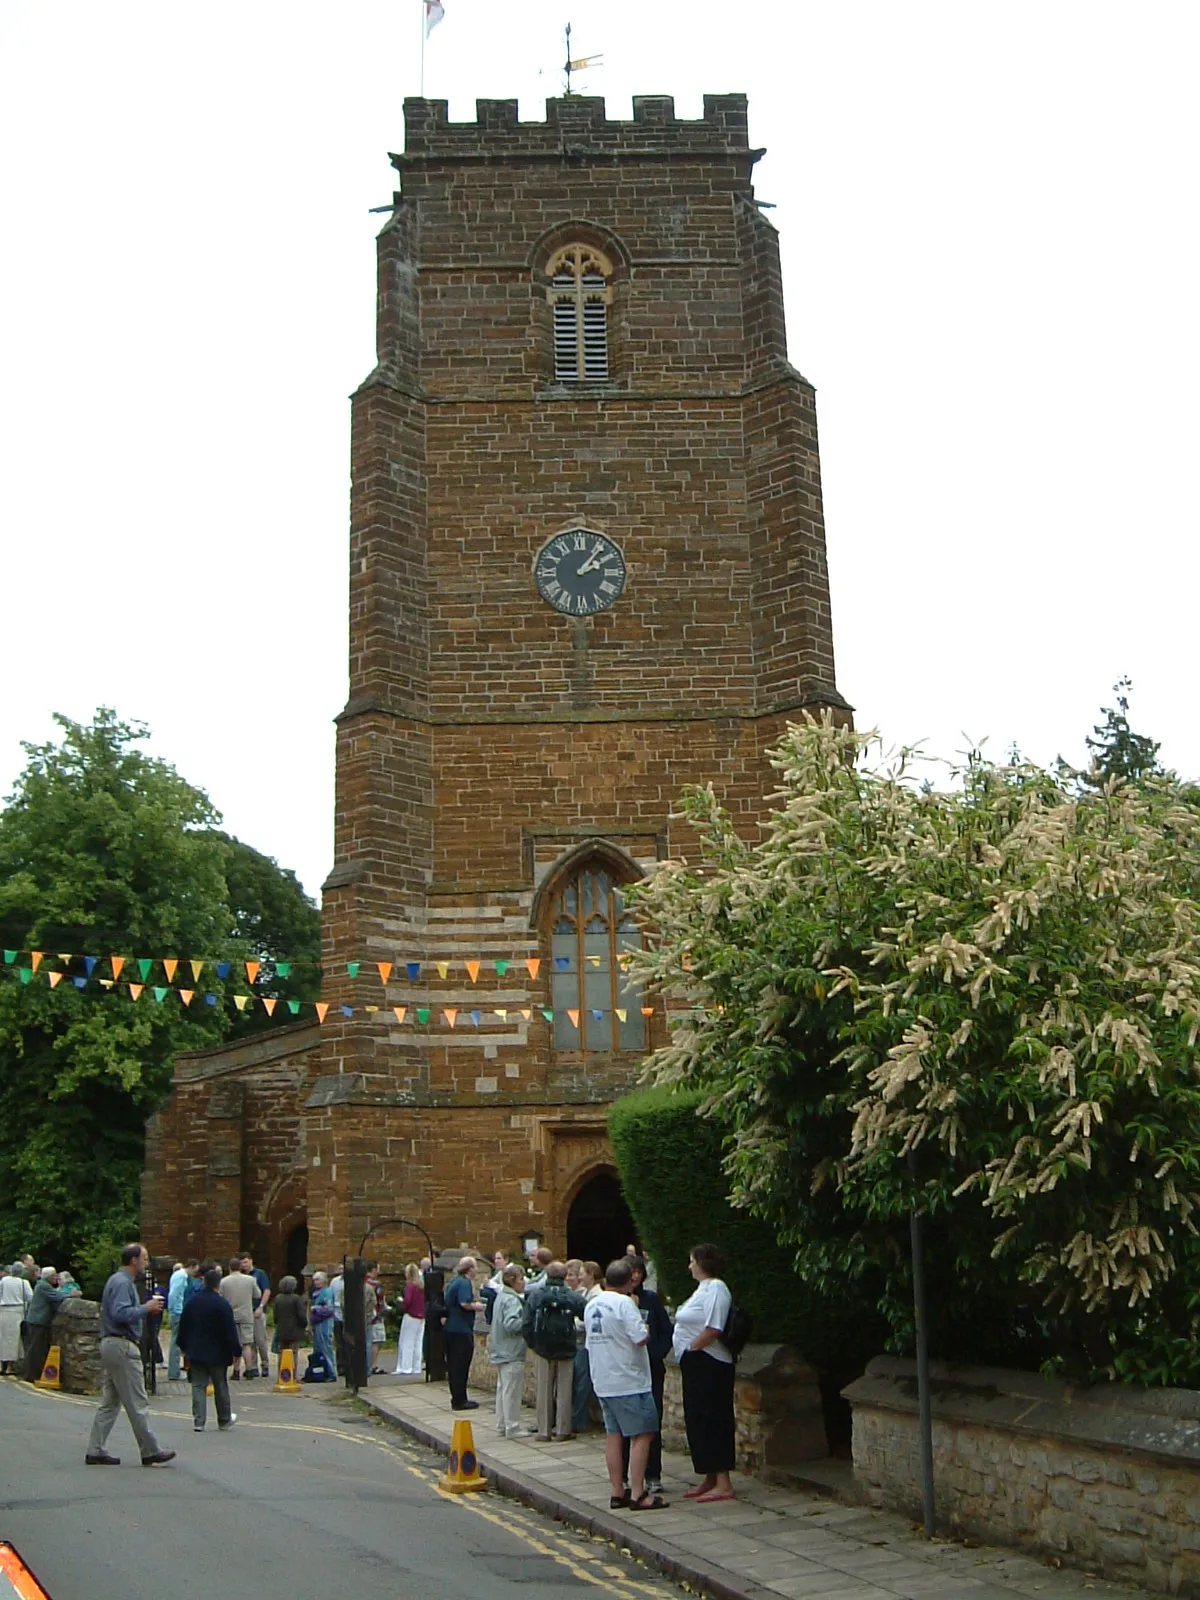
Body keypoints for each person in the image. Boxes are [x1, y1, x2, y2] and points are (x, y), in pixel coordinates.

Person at [585, 1258, 665, 1511]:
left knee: (613, 1435)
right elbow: (641, 1337)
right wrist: (644, 1323)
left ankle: (617, 1490)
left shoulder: (592, 1303)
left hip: (603, 1379)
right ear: (630, 1280)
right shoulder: (625, 1303)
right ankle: (639, 1493)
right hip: (629, 1380)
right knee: (643, 1435)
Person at [85, 1243, 175, 1467]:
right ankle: (151, 1450)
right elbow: (120, 1313)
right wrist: (147, 1307)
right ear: (133, 1260)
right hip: (122, 1345)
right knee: (137, 1401)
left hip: (112, 1345)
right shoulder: (123, 1283)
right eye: (144, 1259)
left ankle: (95, 1449)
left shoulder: (117, 1281)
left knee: (110, 1402)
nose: (146, 1263)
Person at [673, 1242, 736, 1503]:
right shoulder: (703, 1289)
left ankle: (723, 1482)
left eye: (692, 1261)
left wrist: (692, 1349)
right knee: (698, 1421)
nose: (689, 1266)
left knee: (713, 1419)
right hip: (697, 1363)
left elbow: (714, 1328)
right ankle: (709, 1476)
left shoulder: (717, 1288)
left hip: (710, 1363)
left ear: (702, 1263)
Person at [621, 1255, 673, 1495]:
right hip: (625, 1372)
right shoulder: (616, 1301)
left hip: (651, 1370)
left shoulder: (650, 1299)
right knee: (623, 1428)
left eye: (638, 1271)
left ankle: (653, 1475)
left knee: (652, 1424)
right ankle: (623, 1476)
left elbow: (666, 1330)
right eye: (631, 1271)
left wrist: (657, 1353)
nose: (635, 1276)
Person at [524, 1260, 584, 1443]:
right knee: (564, 1390)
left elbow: (526, 1322)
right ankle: (563, 1430)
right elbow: (585, 1313)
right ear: (565, 1276)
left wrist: (533, 1344)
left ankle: (543, 1430)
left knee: (543, 1389)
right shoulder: (571, 1295)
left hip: (543, 1347)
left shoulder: (536, 1295)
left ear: (547, 1275)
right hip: (566, 1347)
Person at [176, 1265, 240, 1432]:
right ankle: (224, 1420)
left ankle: (199, 1421)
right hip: (218, 1352)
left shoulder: (192, 1303)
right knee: (221, 1386)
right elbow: (229, 1330)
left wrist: (183, 1345)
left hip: (196, 1350)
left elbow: (184, 1326)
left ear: (203, 1282)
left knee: (198, 1385)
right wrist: (236, 1351)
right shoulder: (222, 1304)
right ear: (218, 1285)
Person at [489, 1263, 533, 1438]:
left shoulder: (501, 1297)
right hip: (511, 1351)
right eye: (521, 1279)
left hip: (500, 1350)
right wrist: (527, 1321)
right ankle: (512, 1427)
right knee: (512, 1392)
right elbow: (511, 1324)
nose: (524, 1283)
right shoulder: (512, 1300)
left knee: (503, 1391)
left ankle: (502, 1424)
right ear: (512, 1281)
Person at [23, 1267, 80, 1381]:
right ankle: (31, 1375)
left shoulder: (42, 1285)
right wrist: (72, 1294)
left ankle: (33, 1374)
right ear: (48, 1277)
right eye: (54, 1276)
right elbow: (57, 1296)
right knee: (36, 1349)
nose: (56, 1277)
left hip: (37, 1321)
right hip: (37, 1321)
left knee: (37, 1348)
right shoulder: (44, 1286)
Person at [443, 1255, 484, 1411]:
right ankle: (460, 1400)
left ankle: (457, 1398)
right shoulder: (465, 1283)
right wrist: (478, 1306)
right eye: (475, 1267)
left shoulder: (455, 1281)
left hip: (451, 1329)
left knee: (453, 1366)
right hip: (461, 1330)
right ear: (470, 1269)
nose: (476, 1270)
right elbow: (465, 1303)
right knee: (461, 1366)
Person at [571, 1260, 603, 1434]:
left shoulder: (597, 1296)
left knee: (584, 1383)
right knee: (581, 1382)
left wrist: (573, 1322)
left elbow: (589, 1321)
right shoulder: (584, 1293)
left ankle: (579, 1420)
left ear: (591, 1275)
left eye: (582, 1273)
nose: (579, 1276)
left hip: (588, 1345)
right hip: (581, 1344)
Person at [219, 1256, 260, 1378]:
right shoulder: (250, 1280)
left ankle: (236, 1370)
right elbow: (257, 1294)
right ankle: (249, 1369)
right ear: (240, 1267)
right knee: (247, 1343)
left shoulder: (224, 1282)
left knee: (234, 1343)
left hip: (231, 1316)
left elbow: (220, 1298)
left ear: (229, 1268)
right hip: (246, 1315)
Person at [241, 1252, 272, 1381]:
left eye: (246, 1262)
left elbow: (266, 1290)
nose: (244, 1264)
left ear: (251, 1261)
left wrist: (261, 1306)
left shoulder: (260, 1274)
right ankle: (253, 1366)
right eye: (242, 1262)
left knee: (260, 1340)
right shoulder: (242, 1276)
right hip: (246, 1311)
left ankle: (265, 1364)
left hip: (257, 1311)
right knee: (249, 1341)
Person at [166, 1260, 198, 1381]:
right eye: (195, 1270)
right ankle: (174, 1373)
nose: (194, 1273)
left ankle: (174, 1371)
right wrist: (177, 1310)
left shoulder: (178, 1275)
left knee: (176, 1341)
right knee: (176, 1342)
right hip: (178, 1312)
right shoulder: (181, 1276)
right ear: (192, 1267)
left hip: (176, 1311)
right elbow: (174, 1295)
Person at [393, 1263, 425, 1376]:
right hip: (421, 1316)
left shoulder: (410, 1286)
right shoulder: (422, 1286)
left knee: (406, 1341)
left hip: (411, 1315)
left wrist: (401, 1305)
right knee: (418, 1342)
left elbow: (407, 1301)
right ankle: (416, 1367)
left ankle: (405, 1367)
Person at [0, 1263, 32, 1375]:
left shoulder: (4, 1280)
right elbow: (30, 1297)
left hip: (3, 1311)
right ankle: (9, 1367)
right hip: (17, 1312)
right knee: (14, 1340)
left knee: (2, 1338)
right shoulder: (24, 1283)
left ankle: (0, 1365)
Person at [272, 1275, 307, 1372]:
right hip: (294, 1330)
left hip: (281, 1330)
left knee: (282, 1353)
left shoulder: (278, 1298)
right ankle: (292, 1375)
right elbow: (301, 1315)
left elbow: (275, 1316)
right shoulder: (296, 1298)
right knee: (293, 1353)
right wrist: (304, 1324)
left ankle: (281, 1374)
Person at [308, 1271, 337, 1378]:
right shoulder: (316, 1293)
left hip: (325, 1323)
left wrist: (316, 1309)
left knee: (326, 1347)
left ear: (324, 1281)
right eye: (314, 1280)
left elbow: (329, 1309)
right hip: (317, 1323)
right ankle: (320, 1372)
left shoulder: (327, 1292)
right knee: (318, 1348)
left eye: (317, 1279)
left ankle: (331, 1372)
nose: (315, 1282)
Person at [367, 1263, 387, 1373]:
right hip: (376, 1316)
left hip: (366, 1316)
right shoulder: (376, 1285)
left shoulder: (361, 1283)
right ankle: (373, 1365)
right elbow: (380, 1301)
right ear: (373, 1270)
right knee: (376, 1341)